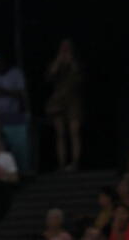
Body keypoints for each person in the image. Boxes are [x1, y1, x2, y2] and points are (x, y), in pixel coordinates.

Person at [46, 38, 84, 171]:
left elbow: (79, 78)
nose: (65, 49)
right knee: (60, 133)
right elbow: (49, 77)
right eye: (63, 47)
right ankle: (61, 164)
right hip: (58, 100)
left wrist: (71, 62)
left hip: (73, 100)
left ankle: (75, 163)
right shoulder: (56, 62)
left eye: (67, 47)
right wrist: (58, 62)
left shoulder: (76, 62)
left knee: (74, 132)